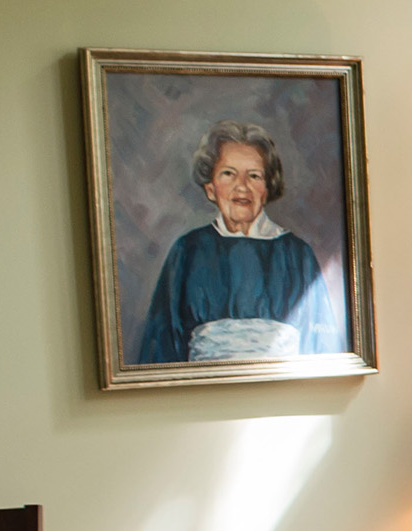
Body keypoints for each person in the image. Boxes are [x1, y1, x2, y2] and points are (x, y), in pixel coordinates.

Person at [134, 120, 337, 363]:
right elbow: (161, 347)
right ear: (211, 188)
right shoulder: (187, 251)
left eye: (254, 176)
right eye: (228, 174)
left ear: (267, 187)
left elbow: (324, 347)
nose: (242, 187)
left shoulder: (297, 255)